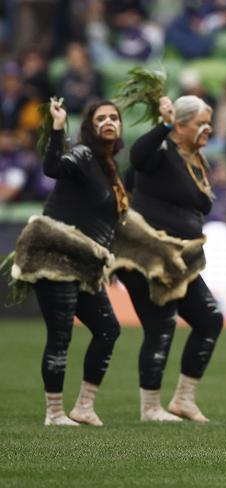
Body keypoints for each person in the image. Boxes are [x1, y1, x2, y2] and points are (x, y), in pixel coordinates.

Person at [10, 98, 127, 426]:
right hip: (57, 256)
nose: (108, 121)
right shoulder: (83, 154)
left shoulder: (109, 167)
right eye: (101, 117)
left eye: (114, 118)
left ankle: (84, 407)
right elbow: (53, 169)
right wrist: (58, 127)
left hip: (85, 263)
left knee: (108, 330)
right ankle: (54, 413)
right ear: (89, 127)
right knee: (61, 335)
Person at [117, 94, 224, 423]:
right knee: (160, 324)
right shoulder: (162, 153)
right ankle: (150, 408)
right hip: (150, 255)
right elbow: (137, 156)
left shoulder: (198, 159)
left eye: (210, 121)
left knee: (209, 320)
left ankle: (183, 399)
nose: (208, 128)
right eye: (200, 122)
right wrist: (161, 125)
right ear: (179, 125)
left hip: (183, 258)